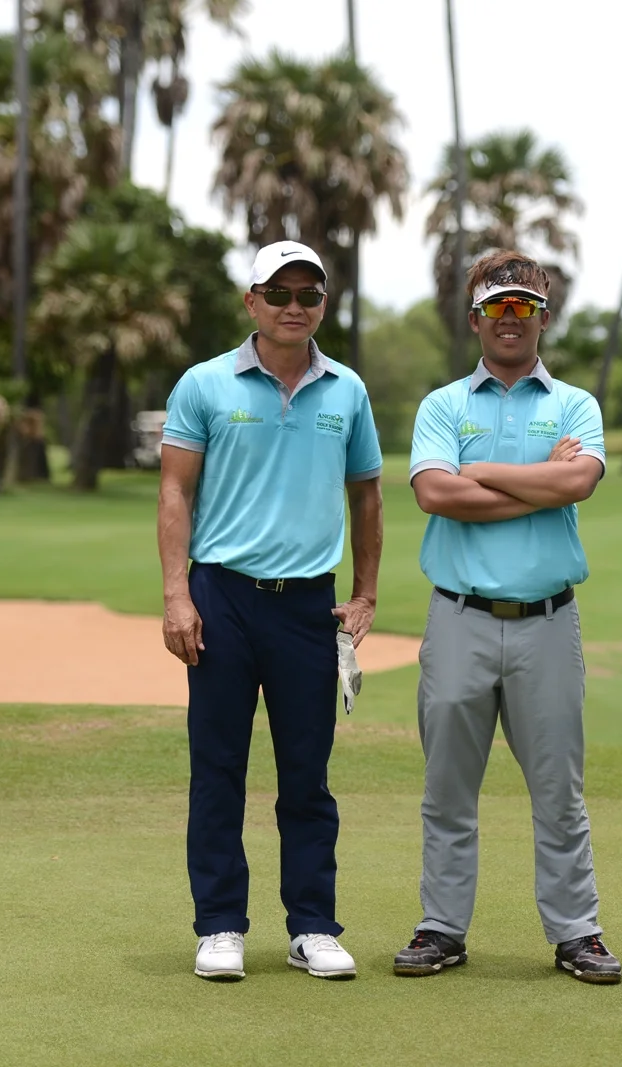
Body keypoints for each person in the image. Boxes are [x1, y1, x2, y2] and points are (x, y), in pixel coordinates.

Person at [156, 240, 384, 983]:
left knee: (306, 775)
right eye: (278, 293)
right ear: (251, 301)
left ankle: (312, 926)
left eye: (308, 295)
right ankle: (220, 924)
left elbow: (366, 495)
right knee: (218, 767)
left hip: (308, 604)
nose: (294, 306)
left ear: (323, 304)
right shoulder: (204, 383)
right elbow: (175, 491)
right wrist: (176, 594)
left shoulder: (346, 390)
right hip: (221, 596)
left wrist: (365, 592)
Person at [393, 249, 620, 984]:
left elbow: (578, 482)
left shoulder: (575, 405)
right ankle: (441, 927)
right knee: (447, 789)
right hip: (459, 617)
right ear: (475, 318)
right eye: (497, 306)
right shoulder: (444, 405)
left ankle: (576, 931)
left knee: (559, 791)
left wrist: (483, 471)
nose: (511, 318)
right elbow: (435, 494)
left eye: (525, 306)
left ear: (544, 316)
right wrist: (540, 482)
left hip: (547, 622)